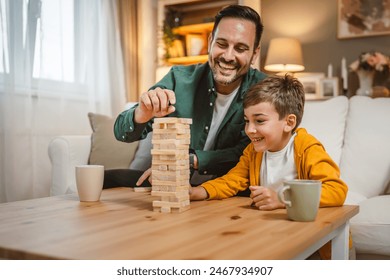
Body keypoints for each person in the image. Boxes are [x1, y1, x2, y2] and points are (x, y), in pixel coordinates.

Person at [190, 74, 349, 259]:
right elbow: (233, 180)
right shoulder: (253, 151)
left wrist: (282, 200)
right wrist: (197, 192)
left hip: (311, 241)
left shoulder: (307, 147)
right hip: (271, 232)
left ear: (289, 123)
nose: (249, 129)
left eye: (259, 121)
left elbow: (336, 189)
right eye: (247, 120)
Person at [107, 5, 267, 188]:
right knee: (107, 178)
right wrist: (142, 113)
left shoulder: (264, 90)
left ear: (254, 53)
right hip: (170, 185)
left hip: (229, 190)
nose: (228, 56)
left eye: (240, 48)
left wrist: (191, 160)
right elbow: (120, 132)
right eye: (222, 44)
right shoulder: (179, 79)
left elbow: (249, 152)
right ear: (210, 42)